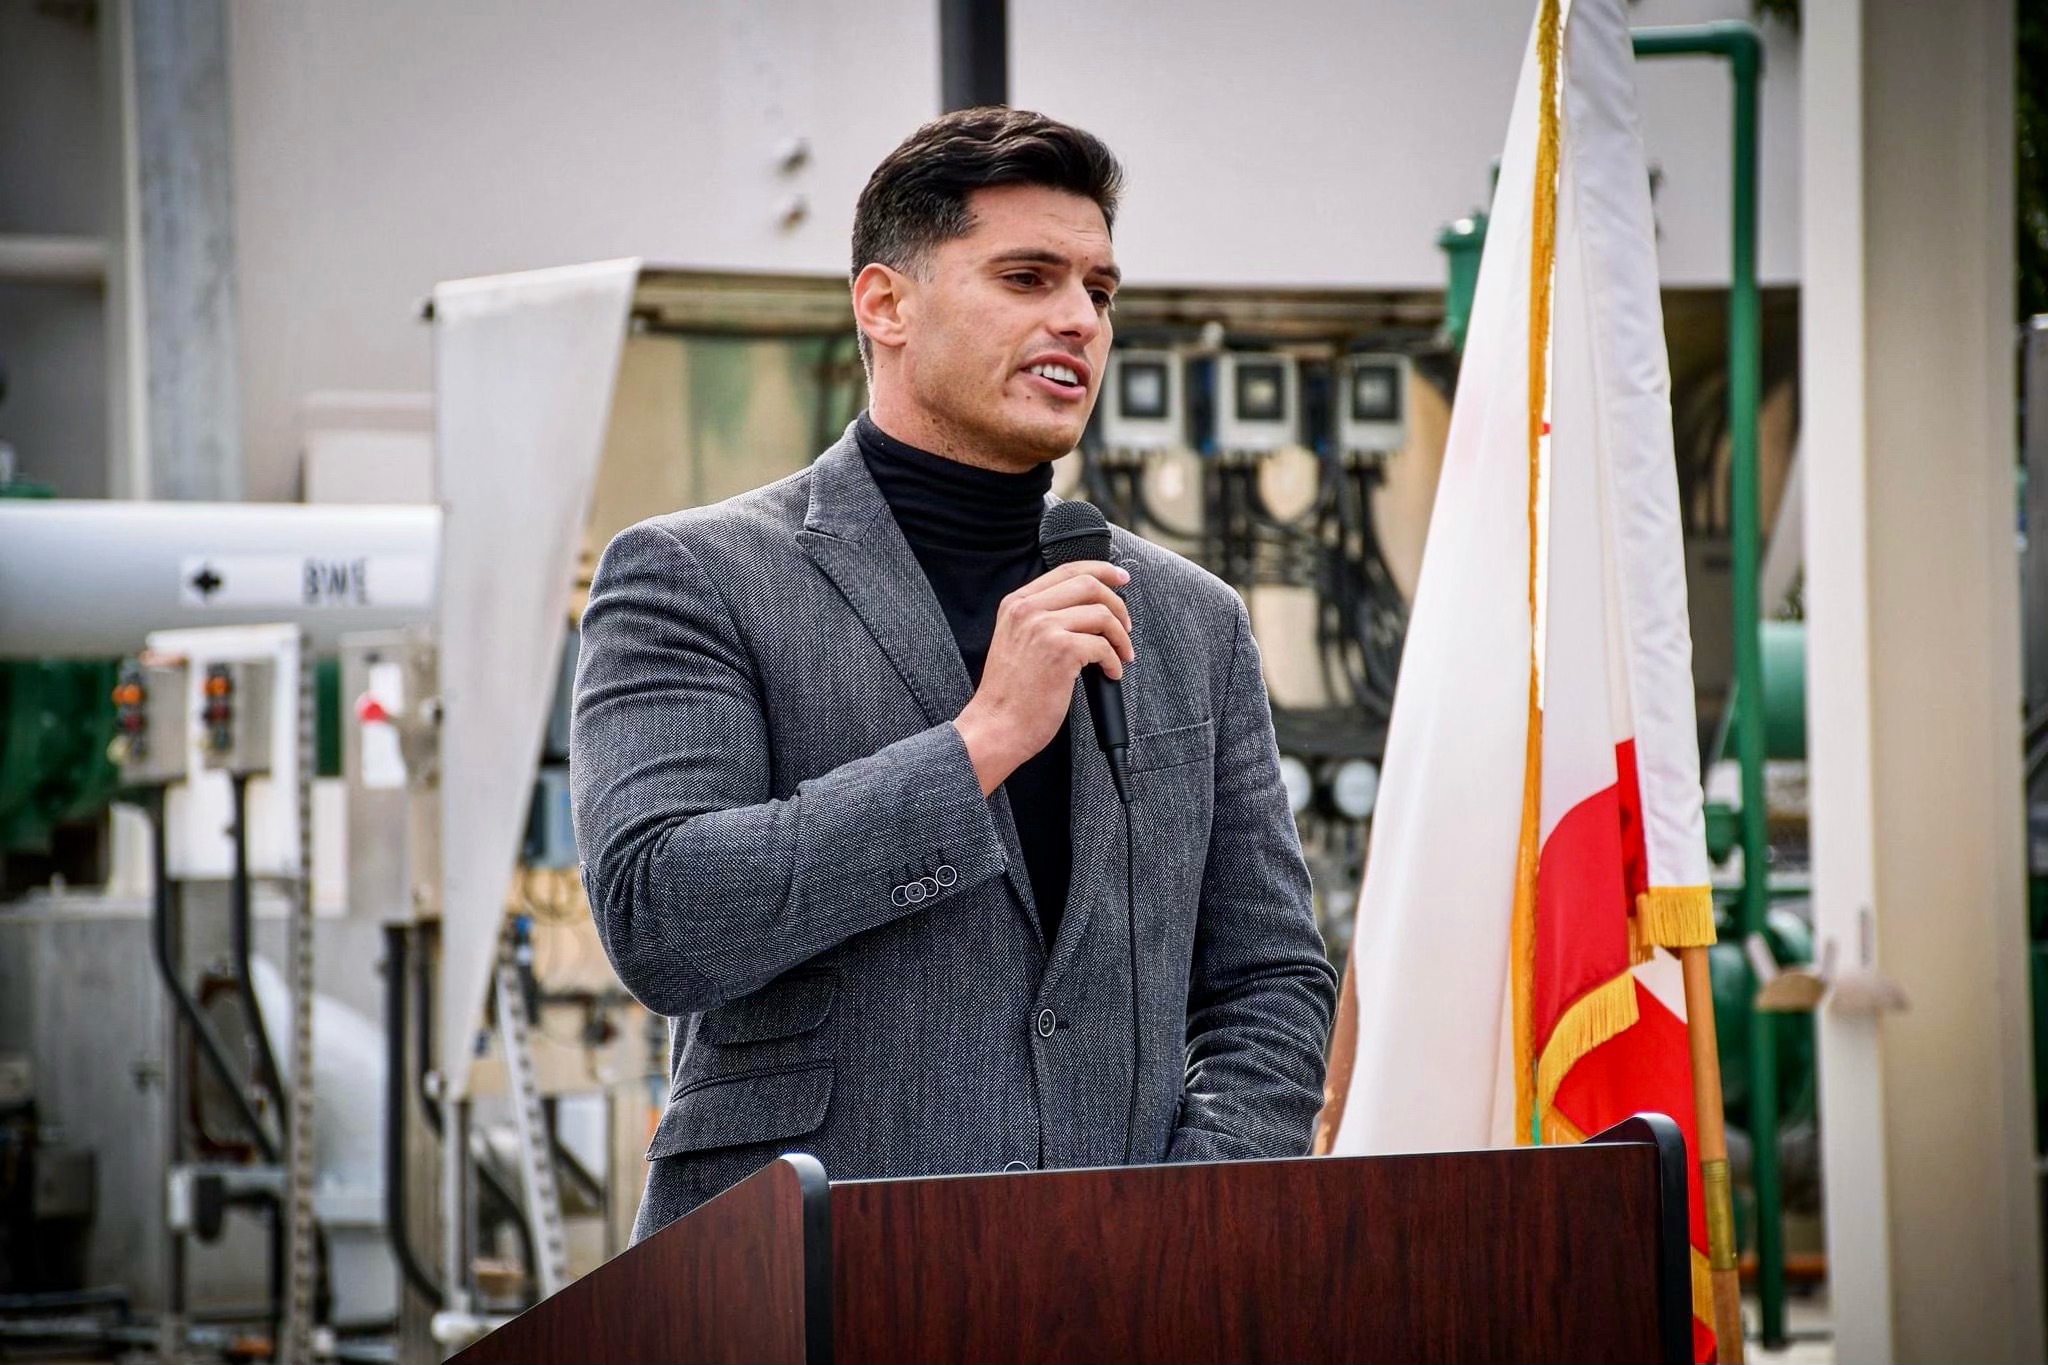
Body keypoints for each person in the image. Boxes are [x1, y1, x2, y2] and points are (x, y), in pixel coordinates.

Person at [571, 106, 1337, 1242]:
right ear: (883, 303)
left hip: (1118, 1283)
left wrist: (1186, 1215)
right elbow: (664, 921)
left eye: (1098, 290)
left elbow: (1269, 980)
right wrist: (979, 741)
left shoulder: (1190, 623)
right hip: (801, 1273)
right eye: (1026, 277)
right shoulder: (692, 574)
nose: (1076, 320)